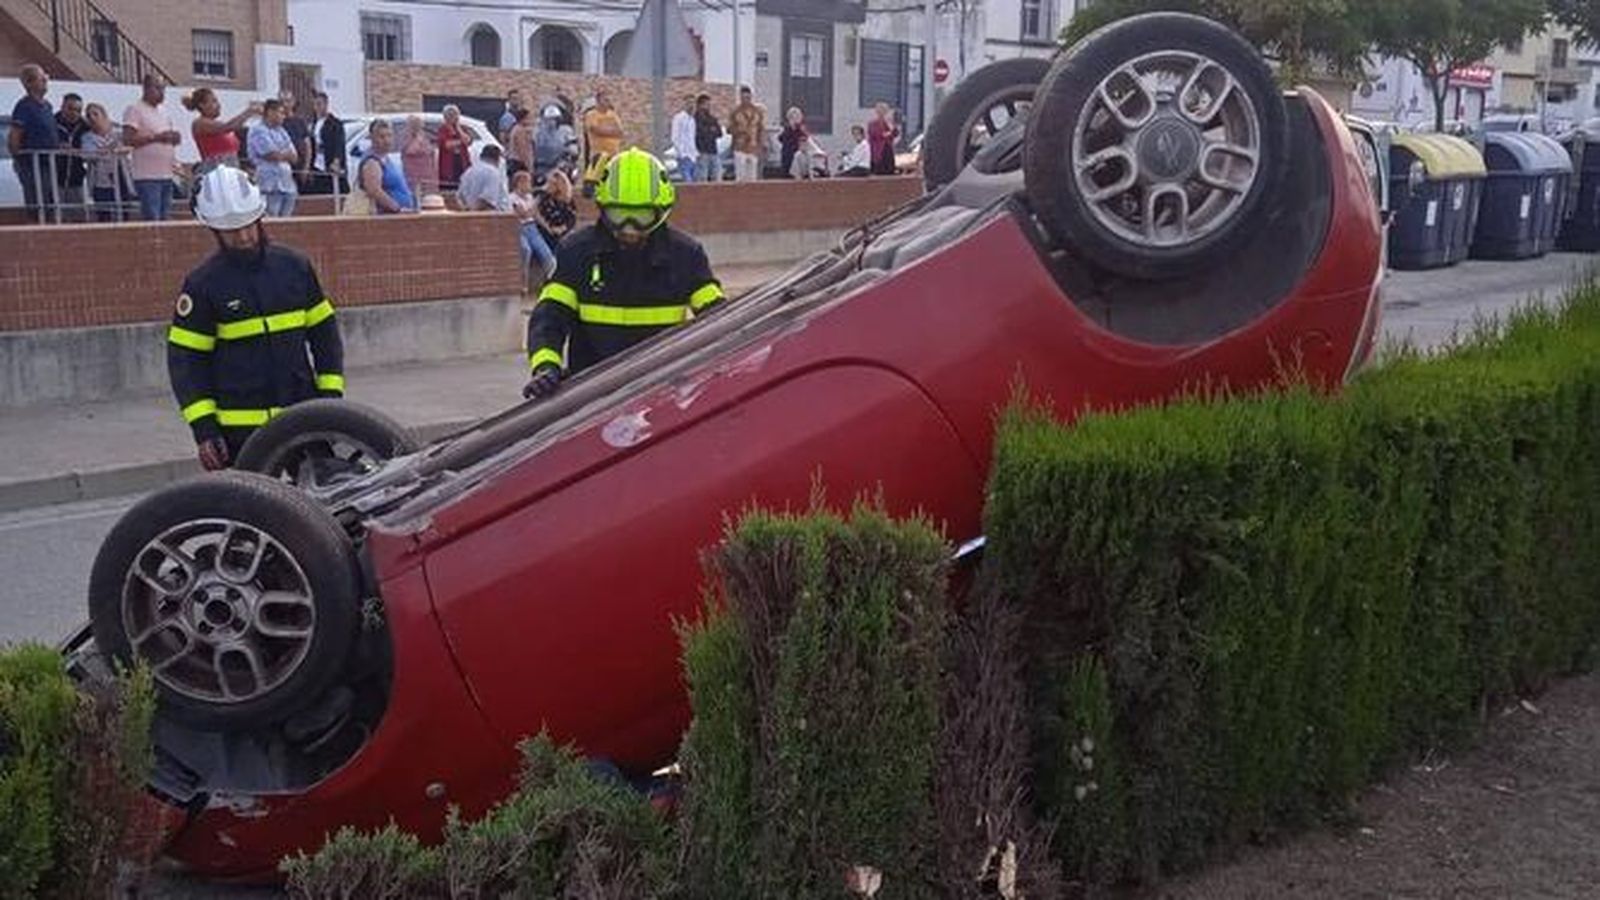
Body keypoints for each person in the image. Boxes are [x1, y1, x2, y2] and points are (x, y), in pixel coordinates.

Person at [167, 165, 344, 468]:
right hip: (240, 434)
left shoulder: (295, 267)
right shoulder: (202, 285)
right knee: (249, 512)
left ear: (260, 217)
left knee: (325, 504)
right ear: (213, 230)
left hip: (303, 419)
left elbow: (325, 336)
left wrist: (330, 397)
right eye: (232, 231)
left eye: (249, 225)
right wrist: (204, 429)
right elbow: (186, 362)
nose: (244, 236)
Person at [524, 148, 724, 399]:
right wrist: (546, 367)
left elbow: (718, 318)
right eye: (619, 214)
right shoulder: (576, 253)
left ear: (662, 211)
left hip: (662, 392)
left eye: (641, 216)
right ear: (603, 207)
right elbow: (549, 318)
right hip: (590, 395)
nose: (629, 228)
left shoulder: (685, 255)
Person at [123, 74, 182, 221]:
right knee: (152, 217)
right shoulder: (135, 109)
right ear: (145, 88)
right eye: (157, 88)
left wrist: (173, 138)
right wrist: (156, 137)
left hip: (166, 174)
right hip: (147, 176)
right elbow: (128, 139)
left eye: (163, 88)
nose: (161, 92)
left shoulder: (164, 111)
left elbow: (166, 138)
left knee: (165, 217)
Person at [9, 64, 60, 222]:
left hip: (48, 163)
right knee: (37, 200)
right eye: (41, 77)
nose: (46, 79)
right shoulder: (24, 106)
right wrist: (19, 159)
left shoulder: (47, 106)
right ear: (30, 83)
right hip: (32, 165)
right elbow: (15, 136)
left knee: (51, 201)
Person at [247, 99, 299, 217]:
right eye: (281, 113)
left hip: (287, 184)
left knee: (286, 221)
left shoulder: (282, 131)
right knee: (272, 218)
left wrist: (282, 154)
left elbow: (294, 156)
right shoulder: (258, 130)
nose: (284, 116)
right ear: (270, 112)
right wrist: (284, 154)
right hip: (269, 184)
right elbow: (271, 154)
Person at [185, 87, 262, 167]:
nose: (219, 105)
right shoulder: (200, 123)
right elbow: (229, 126)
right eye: (214, 101)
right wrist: (249, 112)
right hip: (215, 170)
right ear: (202, 105)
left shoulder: (218, 124)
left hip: (231, 169)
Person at [82, 102, 133, 221]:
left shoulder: (119, 131)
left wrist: (120, 149)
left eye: (95, 114)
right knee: (104, 213)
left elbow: (132, 145)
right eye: (89, 116)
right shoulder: (87, 137)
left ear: (104, 115)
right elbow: (88, 155)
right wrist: (110, 149)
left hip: (121, 176)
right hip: (100, 180)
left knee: (124, 211)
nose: (92, 118)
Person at [356, 118, 415, 214]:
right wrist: (397, 208)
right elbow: (373, 190)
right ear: (372, 138)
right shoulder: (372, 161)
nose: (387, 141)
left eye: (389, 136)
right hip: (385, 218)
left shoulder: (385, 158)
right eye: (382, 137)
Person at [512, 170, 555, 282]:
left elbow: (535, 215)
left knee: (546, 254)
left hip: (532, 228)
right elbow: (524, 214)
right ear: (519, 183)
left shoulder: (529, 197)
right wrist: (537, 201)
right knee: (526, 251)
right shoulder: (512, 198)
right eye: (527, 183)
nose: (529, 186)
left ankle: (550, 280)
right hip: (519, 229)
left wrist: (548, 228)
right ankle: (523, 283)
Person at [53, 92, 89, 217]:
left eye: (78, 110)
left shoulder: (85, 126)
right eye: (70, 108)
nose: (74, 113)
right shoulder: (52, 123)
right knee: (57, 215)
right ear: (62, 107)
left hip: (76, 178)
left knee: (78, 215)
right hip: (55, 177)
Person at [309, 91, 347, 196]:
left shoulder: (335, 124)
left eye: (319, 104)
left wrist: (336, 161)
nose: (317, 107)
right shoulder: (314, 124)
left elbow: (339, 144)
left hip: (329, 161)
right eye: (315, 104)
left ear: (326, 104)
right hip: (317, 164)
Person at [456, 145, 511, 212]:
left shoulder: (469, 171)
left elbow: (459, 196)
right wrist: (473, 211)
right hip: (489, 216)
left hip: (469, 214)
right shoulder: (493, 173)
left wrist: (466, 210)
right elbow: (487, 198)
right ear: (498, 159)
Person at [729, 86, 766, 182]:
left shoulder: (757, 112)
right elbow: (729, 129)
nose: (746, 99)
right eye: (743, 97)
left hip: (753, 148)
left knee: (752, 178)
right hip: (740, 147)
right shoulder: (735, 112)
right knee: (740, 178)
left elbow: (761, 129)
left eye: (748, 97)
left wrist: (760, 145)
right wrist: (739, 131)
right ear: (740, 97)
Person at [279, 90, 313, 190]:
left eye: (288, 101)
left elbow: (308, 146)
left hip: (300, 167)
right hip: (284, 168)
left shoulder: (300, 121)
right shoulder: (277, 122)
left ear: (293, 102)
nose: (285, 105)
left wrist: (306, 167)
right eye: (282, 102)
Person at [532, 104, 575, 181]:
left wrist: (568, 154)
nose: (551, 122)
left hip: (559, 164)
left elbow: (573, 147)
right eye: (548, 119)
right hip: (541, 166)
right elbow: (533, 146)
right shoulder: (537, 132)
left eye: (554, 119)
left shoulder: (565, 131)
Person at [778, 106, 823, 180]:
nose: (794, 119)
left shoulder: (801, 130)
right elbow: (780, 138)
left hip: (798, 157)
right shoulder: (786, 129)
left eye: (796, 117)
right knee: (785, 175)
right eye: (792, 117)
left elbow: (806, 140)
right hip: (787, 155)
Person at [582, 89, 624, 168]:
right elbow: (595, 130)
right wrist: (612, 131)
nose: (608, 102)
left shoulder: (613, 115)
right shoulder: (591, 115)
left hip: (614, 155)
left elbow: (620, 132)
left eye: (609, 100)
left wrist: (605, 130)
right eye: (605, 100)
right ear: (598, 101)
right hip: (599, 155)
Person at [400, 114, 436, 200]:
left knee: (427, 198)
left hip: (426, 174)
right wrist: (418, 138)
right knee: (414, 196)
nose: (420, 127)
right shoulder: (406, 136)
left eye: (420, 124)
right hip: (413, 175)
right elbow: (410, 150)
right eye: (417, 124)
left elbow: (430, 151)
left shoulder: (424, 136)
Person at [437, 104, 472, 191]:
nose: (453, 117)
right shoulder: (443, 129)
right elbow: (446, 144)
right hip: (448, 163)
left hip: (462, 161)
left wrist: (458, 128)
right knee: (449, 186)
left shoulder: (462, 128)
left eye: (455, 115)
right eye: (450, 115)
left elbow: (467, 141)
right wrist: (460, 142)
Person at [693, 93, 722, 183]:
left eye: (709, 104)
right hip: (701, 150)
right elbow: (700, 132)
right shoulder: (695, 118)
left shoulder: (712, 118)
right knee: (702, 176)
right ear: (699, 105)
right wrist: (710, 130)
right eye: (706, 104)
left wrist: (710, 130)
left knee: (717, 174)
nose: (708, 107)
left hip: (713, 150)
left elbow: (719, 133)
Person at [671, 94, 698, 183]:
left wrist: (695, 153)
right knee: (688, 183)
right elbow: (675, 137)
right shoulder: (679, 118)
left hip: (693, 156)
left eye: (693, 103)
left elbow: (692, 138)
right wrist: (681, 153)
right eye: (689, 103)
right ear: (684, 104)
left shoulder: (692, 120)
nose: (691, 105)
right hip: (684, 157)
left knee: (694, 183)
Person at [868, 102, 900, 176]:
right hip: (879, 150)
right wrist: (888, 134)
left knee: (889, 169)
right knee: (879, 170)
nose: (883, 113)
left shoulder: (887, 123)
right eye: (881, 110)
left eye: (884, 111)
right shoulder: (873, 123)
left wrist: (894, 127)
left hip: (888, 149)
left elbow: (895, 134)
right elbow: (876, 135)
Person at [507, 106, 535, 179]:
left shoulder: (515, 128)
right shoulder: (520, 131)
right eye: (529, 118)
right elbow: (522, 149)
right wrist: (528, 166)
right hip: (519, 163)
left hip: (515, 162)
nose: (531, 120)